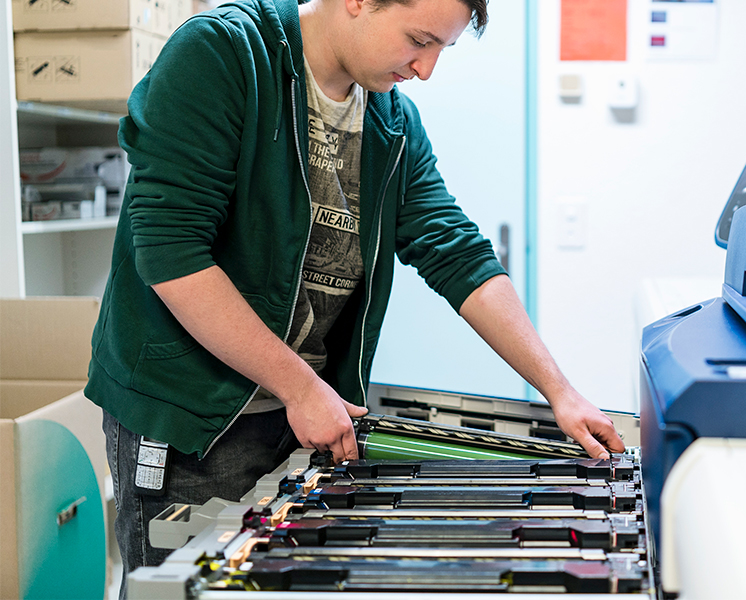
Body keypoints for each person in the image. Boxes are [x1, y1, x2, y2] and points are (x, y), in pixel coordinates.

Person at [85, 0, 625, 593]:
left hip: (306, 418)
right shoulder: (223, 54)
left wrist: (560, 391)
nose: (426, 70)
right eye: (420, 40)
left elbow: (457, 254)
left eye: (442, 49)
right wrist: (300, 387)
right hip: (195, 421)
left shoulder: (391, 121)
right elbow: (171, 253)